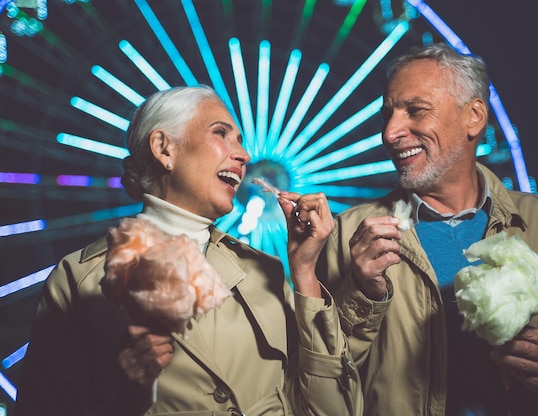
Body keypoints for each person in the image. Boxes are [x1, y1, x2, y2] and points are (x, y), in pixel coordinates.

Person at [316, 43, 538, 415]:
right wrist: (362, 293)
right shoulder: (350, 234)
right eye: (387, 115)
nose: (390, 132)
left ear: (474, 117)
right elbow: (321, 381)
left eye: (415, 110)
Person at [15, 85, 362, 416]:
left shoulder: (267, 272)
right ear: (165, 149)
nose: (244, 154)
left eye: (240, 140)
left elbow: (333, 409)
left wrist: (304, 270)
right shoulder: (78, 280)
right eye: (221, 133)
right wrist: (125, 398)